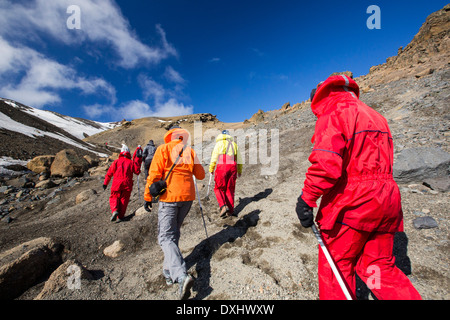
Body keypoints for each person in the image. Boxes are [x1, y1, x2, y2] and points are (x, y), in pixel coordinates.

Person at [295, 74, 422, 300]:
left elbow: (326, 164)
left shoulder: (333, 113)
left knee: (337, 265)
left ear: (320, 97)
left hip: (353, 204)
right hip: (387, 200)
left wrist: (307, 198)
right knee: (379, 266)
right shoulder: (376, 115)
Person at [144, 126, 205, 300]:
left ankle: (181, 276)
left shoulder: (163, 149)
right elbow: (200, 175)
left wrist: (148, 197)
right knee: (173, 233)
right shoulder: (190, 150)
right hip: (187, 198)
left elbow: (154, 175)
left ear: (169, 136)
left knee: (165, 237)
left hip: (170, 197)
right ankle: (168, 271)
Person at [103, 144, 142, 222]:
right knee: (124, 199)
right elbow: (137, 171)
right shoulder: (131, 162)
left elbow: (109, 173)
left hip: (116, 183)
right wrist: (138, 158)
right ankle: (120, 217)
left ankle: (114, 210)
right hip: (127, 183)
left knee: (114, 197)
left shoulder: (116, 162)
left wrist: (105, 183)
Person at [209, 130, 243, 218]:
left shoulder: (219, 144)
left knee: (218, 188)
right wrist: (239, 170)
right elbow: (239, 159)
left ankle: (223, 206)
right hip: (233, 167)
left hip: (222, 167)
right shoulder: (234, 144)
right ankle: (230, 211)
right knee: (230, 189)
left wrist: (211, 168)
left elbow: (214, 158)